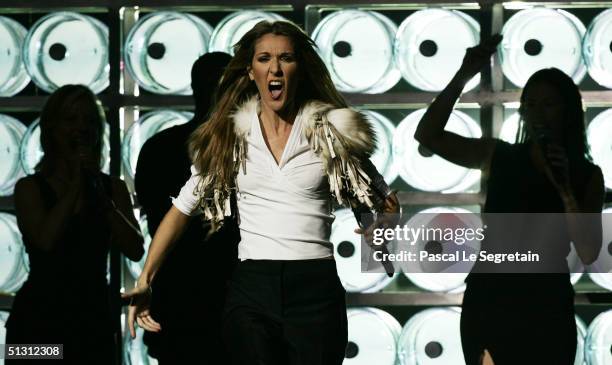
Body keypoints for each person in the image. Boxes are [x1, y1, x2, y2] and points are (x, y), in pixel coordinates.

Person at [122, 20, 399, 365]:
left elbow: (383, 201)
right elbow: (182, 208)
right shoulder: (232, 137)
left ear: (301, 69)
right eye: (265, 58)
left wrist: (382, 228)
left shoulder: (331, 132)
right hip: (253, 288)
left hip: (315, 288)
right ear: (251, 72)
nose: (276, 68)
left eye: (286, 58)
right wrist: (145, 280)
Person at [415, 35, 604, 365]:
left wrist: (564, 191)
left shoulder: (586, 174)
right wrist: (464, 74)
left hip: (546, 303)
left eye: (548, 104)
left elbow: (588, 251)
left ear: (568, 111)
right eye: (530, 105)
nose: (538, 113)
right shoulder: (498, 155)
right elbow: (428, 135)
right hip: (491, 298)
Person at [6, 85, 144, 364]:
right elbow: (45, 240)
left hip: (91, 320)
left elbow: (135, 249)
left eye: (89, 121)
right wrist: (76, 184)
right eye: (71, 120)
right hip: (36, 321)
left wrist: (103, 199)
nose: (81, 128)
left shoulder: (111, 189)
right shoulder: (29, 188)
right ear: (52, 129)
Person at [134, 52, 239, 364]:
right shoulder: (249, 151)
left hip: (186, 300)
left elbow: (161, 221)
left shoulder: (161, 147)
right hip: (215, 301)